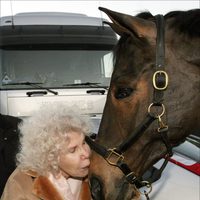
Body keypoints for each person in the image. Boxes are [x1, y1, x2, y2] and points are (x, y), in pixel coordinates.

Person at [1, 104, 92, 200]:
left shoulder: (96, 173)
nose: (86, 153)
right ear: (51, 156)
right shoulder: (20, 185)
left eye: (84, 142)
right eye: (73, 150)